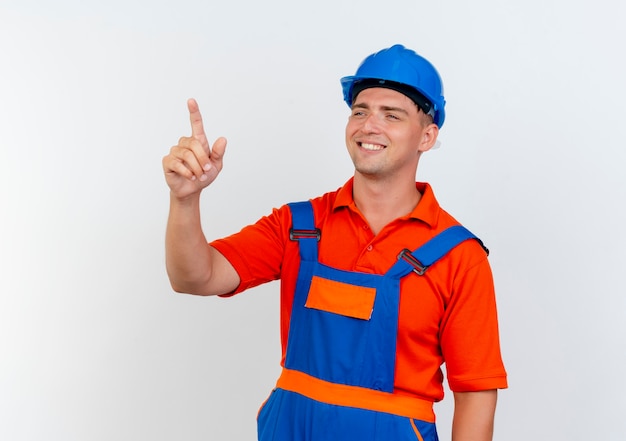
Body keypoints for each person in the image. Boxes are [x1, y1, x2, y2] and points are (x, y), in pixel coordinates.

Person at [162, 44, 507, 441]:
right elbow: (194, 277)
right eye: (360, 111)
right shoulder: (298, 226)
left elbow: (476, 394)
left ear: (427, 137)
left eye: (391, 115)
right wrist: (184, 199)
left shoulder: (457, 256)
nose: (368, 125)